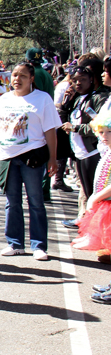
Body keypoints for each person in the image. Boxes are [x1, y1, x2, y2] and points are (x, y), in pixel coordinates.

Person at [0, 62, 61, 261]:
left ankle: (39, 246)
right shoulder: (4, 99)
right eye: (14, 75)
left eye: (22, 76)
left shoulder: (42, 99)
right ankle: (15, 243)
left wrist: (53, 158)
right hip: (8, 157)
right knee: (12, 203)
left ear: (31, 78)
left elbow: (50, 130)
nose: (17, 80)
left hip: (32, 157)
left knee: (36, 202)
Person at [61, 64, 108, 219]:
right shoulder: (78, 99)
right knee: (88, 194)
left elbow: (99, 126)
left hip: (93, 153)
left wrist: (75, 128)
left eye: (83, 80)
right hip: (79, 154)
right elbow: (63, 121)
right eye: (75, 81)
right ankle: (88, 224)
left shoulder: (98, 98)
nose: (78, 83)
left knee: (95, 195)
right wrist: (66, 102)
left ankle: (96, 228)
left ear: (92, 80)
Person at [72, 108, 111, 268]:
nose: (104, 136)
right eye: (101, 132)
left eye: (109, 132)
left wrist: (96, 197)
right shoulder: (108, 152)